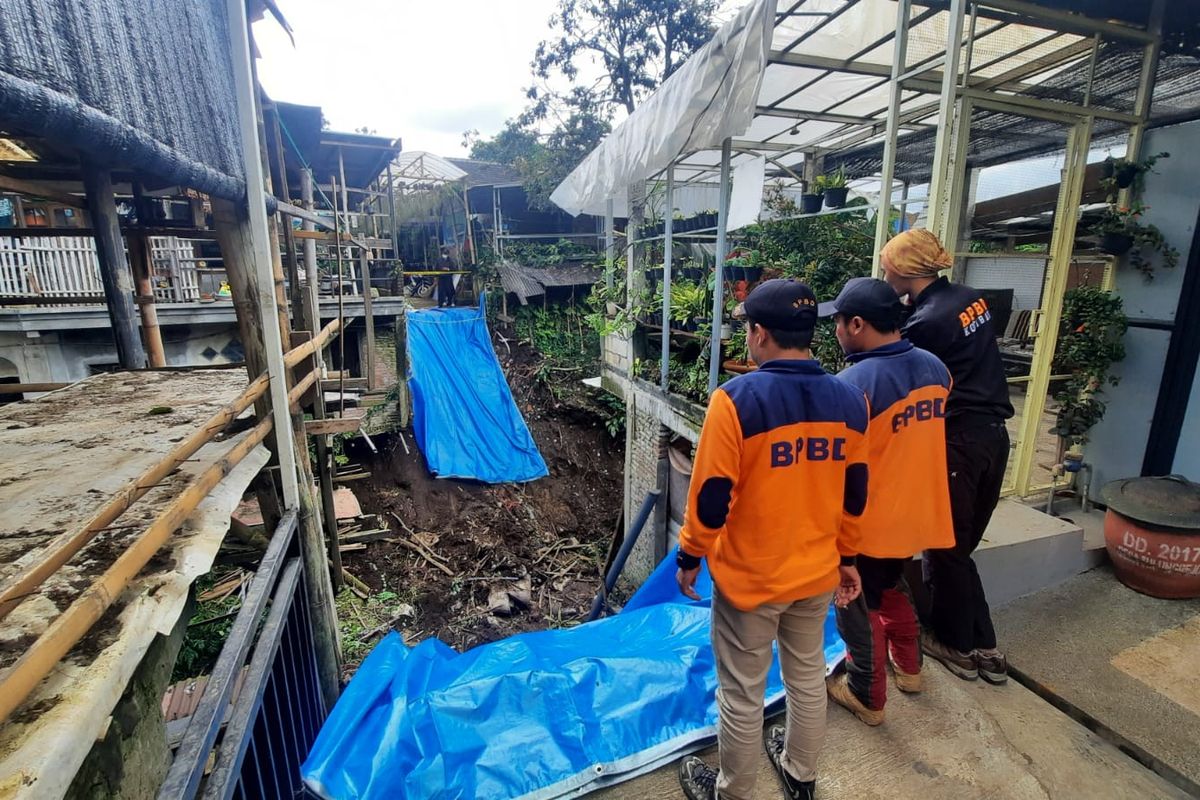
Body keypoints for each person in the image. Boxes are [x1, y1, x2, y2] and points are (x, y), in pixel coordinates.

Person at [674, 279, 869, 800]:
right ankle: (801, 775)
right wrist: (847, 558)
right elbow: (855, 494)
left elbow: (712, 497)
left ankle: (733, 792)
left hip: (752, 580)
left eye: (747, 329)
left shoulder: (735, 401)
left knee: (742, 693)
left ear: (760, 334)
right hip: (815, 572)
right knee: (806, 676)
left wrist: (690, 555)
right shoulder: (851, 402)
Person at [878, 228, 1015, 685]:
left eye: (888, 266)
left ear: (906, 269)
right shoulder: (967, 297)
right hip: (993, 436)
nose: (884, 273)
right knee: (961, 548)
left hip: (960, 440)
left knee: (946, 546)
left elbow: (896, 362)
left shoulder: (928, 323)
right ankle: (987, 648)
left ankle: (956, 646)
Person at [817, 277, 955, 726]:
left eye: (838, 322)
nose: (835, 331)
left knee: (857, 604)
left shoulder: (851, 384)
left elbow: (835, 463)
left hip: (871, 519)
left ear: (857, 324)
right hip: (920, 512)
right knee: (891, 586)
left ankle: (866, 694)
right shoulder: (937, 368)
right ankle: (910, 670)